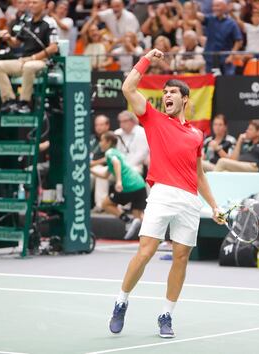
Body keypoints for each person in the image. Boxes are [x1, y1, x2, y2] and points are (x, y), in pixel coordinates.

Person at [109, 48, 223, 338]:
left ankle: (166, 315)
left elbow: (199, 175)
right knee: (145, 251)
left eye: (173, 92)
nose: (168, 95)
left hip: (188, 200)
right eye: (166, 92)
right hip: (161, 194)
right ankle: (121, 301)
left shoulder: (197, 135)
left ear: (185, 99)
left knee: (181, 257)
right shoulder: (153, 118)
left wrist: (214, 206)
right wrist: (147, 58)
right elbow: (127, 87)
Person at [0, 0, 58, 114]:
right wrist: (8, 38)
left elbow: (53, 48)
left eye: (35, 3)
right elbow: (16, 43)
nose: (31, 5)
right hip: (24, 60)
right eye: (31, 3)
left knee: (29, 66)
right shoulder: (26, 22)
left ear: (43, 5)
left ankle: (24, 103)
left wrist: (33, 58)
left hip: (41, 61)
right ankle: (9, 101)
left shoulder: (49, 22)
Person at [90, 131, 147, 240]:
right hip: (139, 184)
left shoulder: (110, 152)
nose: (100, 143)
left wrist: (119, 181)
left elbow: (116, 163)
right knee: (139, 217)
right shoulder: (116, 152)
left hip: (128, 186)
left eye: (102, 140)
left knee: (106, 203)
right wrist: (90, 170)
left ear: (108, 142)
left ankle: (127, 220)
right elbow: (105, 175)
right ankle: (158, 239)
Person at [199, 0, 243, 75]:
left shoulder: (231, 23)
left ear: (225, 7)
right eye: (213, 6)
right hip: (211, 58)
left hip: (226, 59)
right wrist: (192, 5)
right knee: (211, 82)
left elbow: (239, 41)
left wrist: (231, 55)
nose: (215, 8)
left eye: (218, 6)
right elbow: (196, 16)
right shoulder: (209, 19)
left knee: (227, 82)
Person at [114, 110, 149, 175]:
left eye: (124, 121)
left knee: (131, 173)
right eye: (120, 121)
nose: (121, 124)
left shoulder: (142, 133)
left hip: (135, 166)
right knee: (101, 175)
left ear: (133, 121)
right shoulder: (117, 133)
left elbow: (141, 154)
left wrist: (126, 167)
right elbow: (115, 152)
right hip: (118, 165)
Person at [90, 115, 111, 212]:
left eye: (101, 125)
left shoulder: (112, 137)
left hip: (105, 168)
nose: (98, 127)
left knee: (97, 174)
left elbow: (111, 156)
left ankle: (100, 206)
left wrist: (94, 163)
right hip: (89, 167)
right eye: (96, 125)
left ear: (107, 126)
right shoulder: (90, 138)